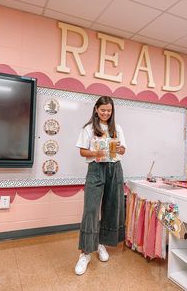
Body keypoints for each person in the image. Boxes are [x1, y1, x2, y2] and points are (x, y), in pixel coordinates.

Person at [75, 95, 126, 275]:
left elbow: (123, 150)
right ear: (96, 109)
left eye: (109, 110)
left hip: (114, 168)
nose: (106, 113)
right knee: (90, 209)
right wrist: (97, 151)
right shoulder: (88, 128)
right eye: (103, 110)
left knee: (111, 207)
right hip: (96, 168)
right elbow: (82, 151)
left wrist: (120, 149)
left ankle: (101, 243)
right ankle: (85, 253)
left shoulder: (117, 128)